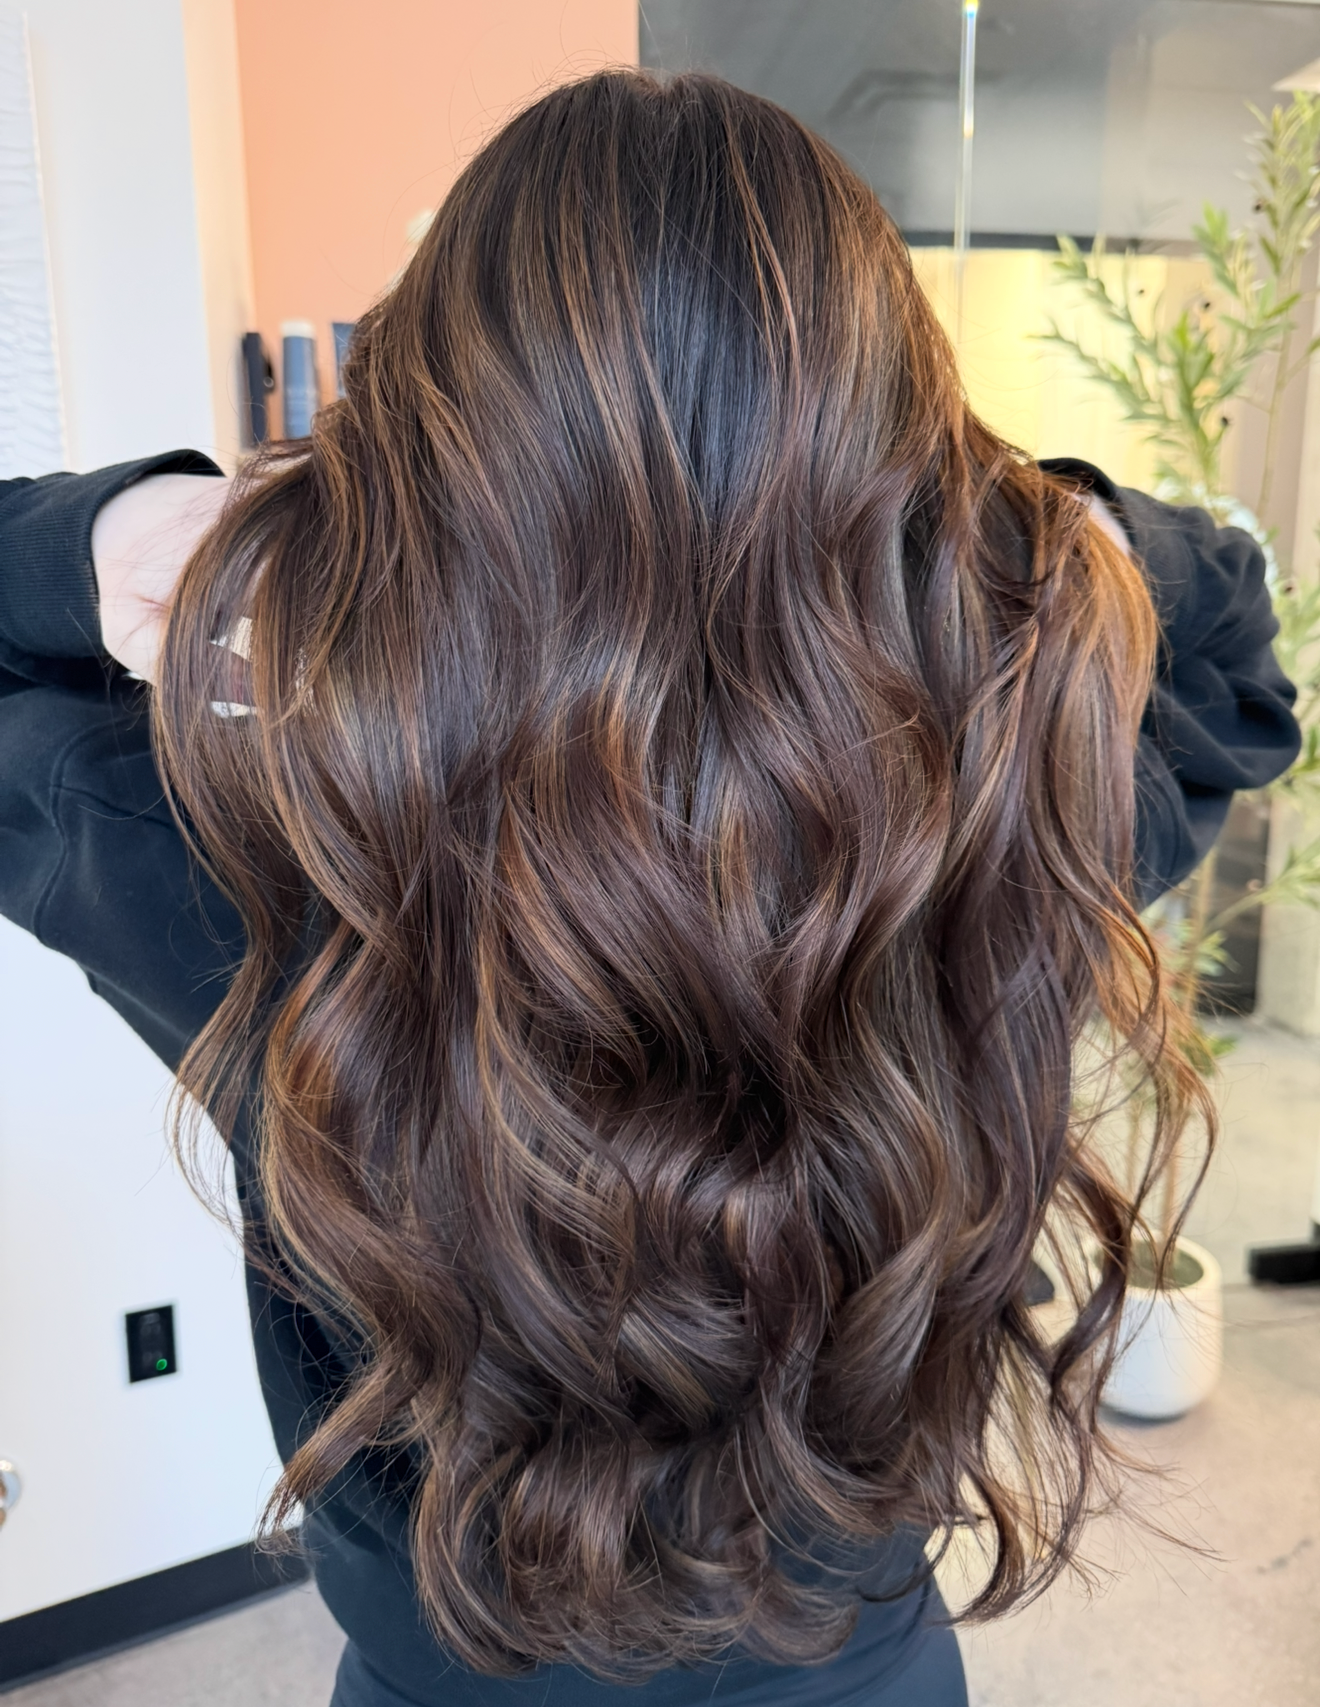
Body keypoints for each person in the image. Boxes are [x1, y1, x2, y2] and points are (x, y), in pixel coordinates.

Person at [0, 70, 1301, 1707]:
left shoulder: (241, 843)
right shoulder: (993, 817)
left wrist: (110, 534)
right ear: (902, 463)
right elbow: (1240, 648)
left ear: (408, 469)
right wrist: (1044, 522)